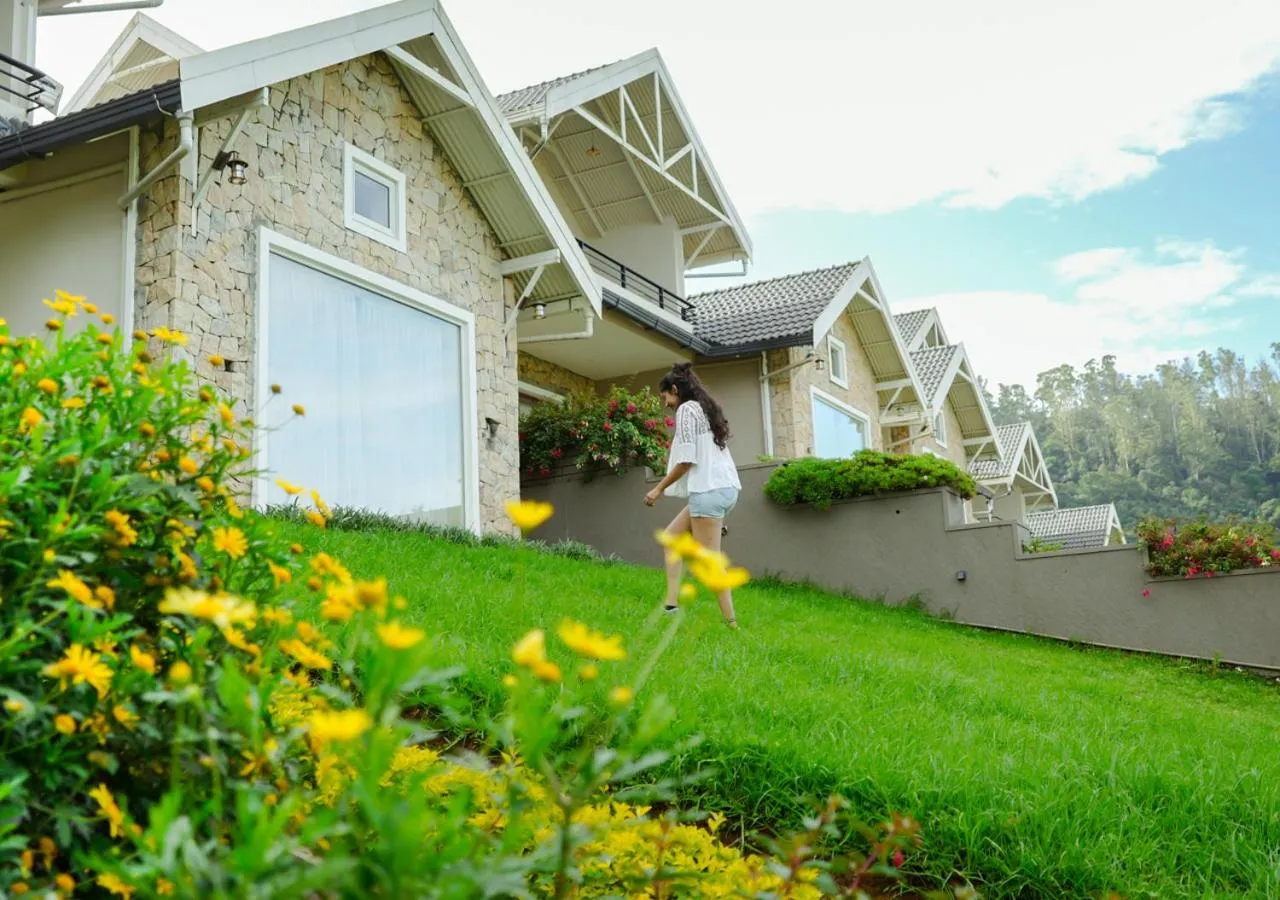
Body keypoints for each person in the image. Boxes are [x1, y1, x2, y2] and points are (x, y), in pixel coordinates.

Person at [643, 362, 742, 628]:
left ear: (675, 390)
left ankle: (732, 623)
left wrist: (658, 488)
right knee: (673, 538)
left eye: (665, 397)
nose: (665, 404)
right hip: (726, 489)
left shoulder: (687, 410)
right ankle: (671, 605)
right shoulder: (704, 408)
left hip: (707, 492)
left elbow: (687, 460)